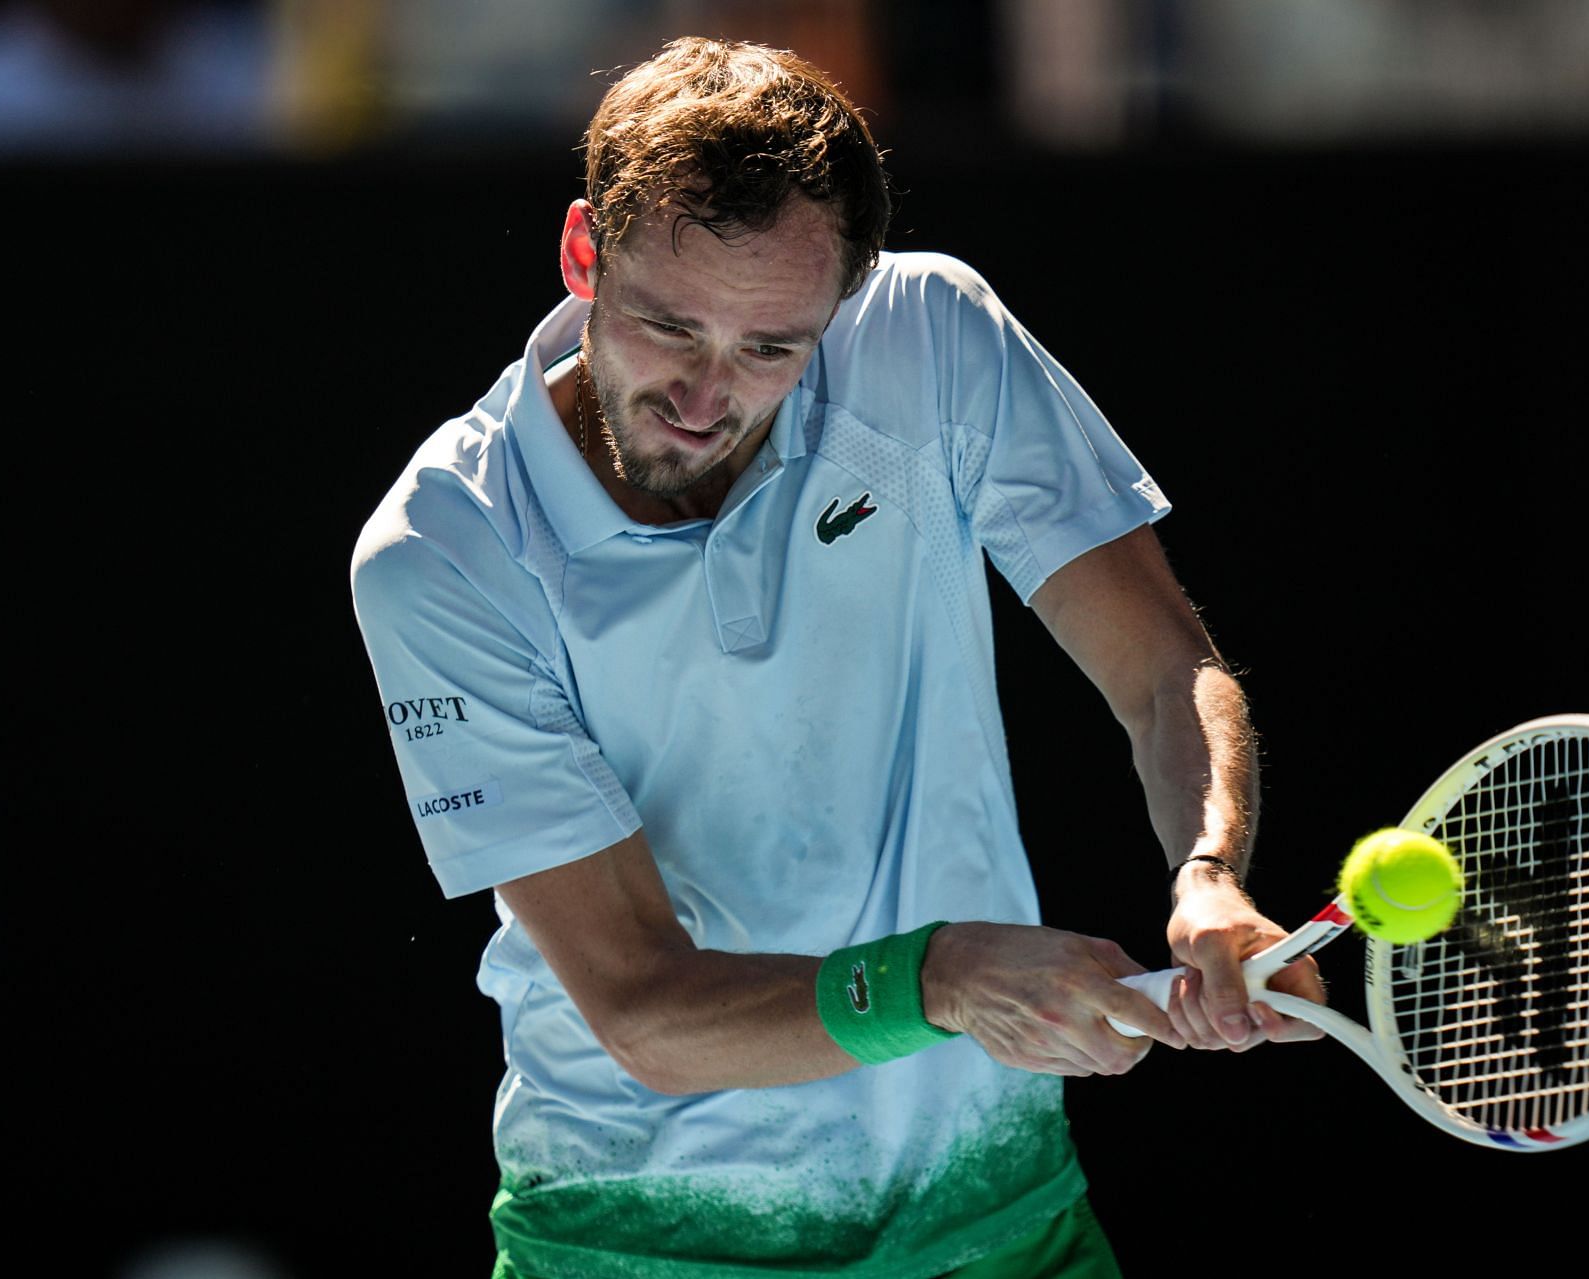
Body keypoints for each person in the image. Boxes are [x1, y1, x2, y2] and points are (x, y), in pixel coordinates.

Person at [350, 36, 1323, 1279]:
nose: (707, 394)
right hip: (640, 1242)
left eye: (772, 348)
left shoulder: (928, 336)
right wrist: (944, 981)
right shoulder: (444, 549)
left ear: (845, 301)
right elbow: (645, 1010)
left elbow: (1161, 671)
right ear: (584, 252)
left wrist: (1206, 872)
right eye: (668, 327)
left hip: (998, 1217)